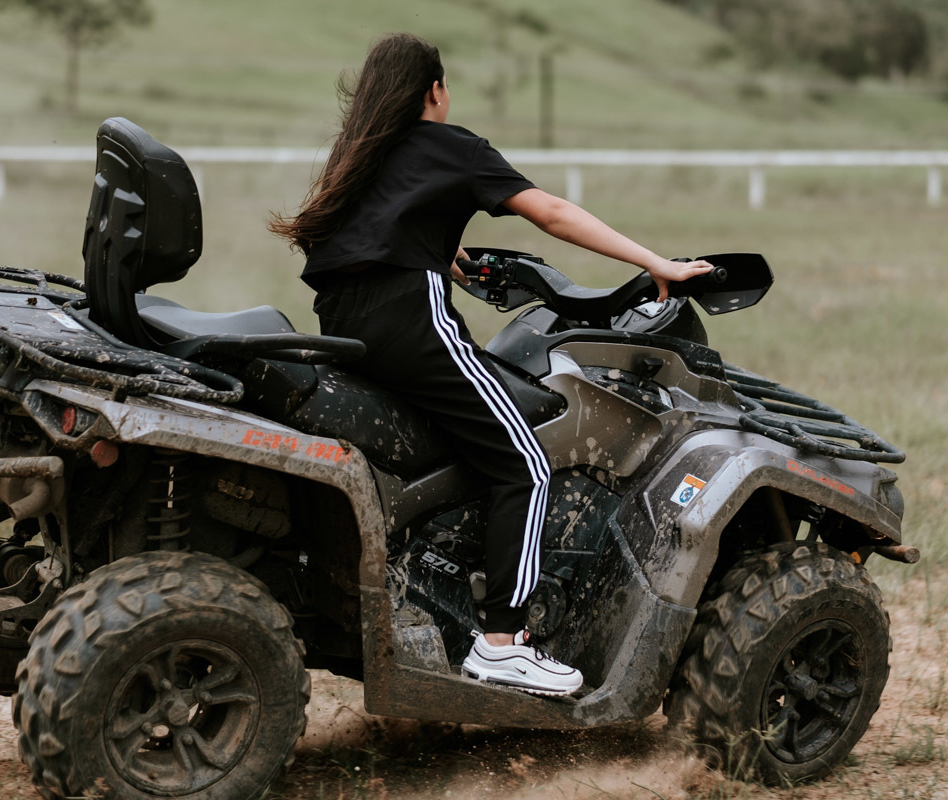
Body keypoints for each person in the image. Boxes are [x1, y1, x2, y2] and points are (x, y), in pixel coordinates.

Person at [270, 33, 712, 697]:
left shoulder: (358, 154)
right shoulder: (453, 146)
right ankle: (503, 644)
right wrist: (657, 263)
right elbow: (552, 214)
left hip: (345, 325)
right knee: (525, 463)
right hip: (412, 322)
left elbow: (379, 231)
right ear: (435, 91)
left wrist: (449, 258)